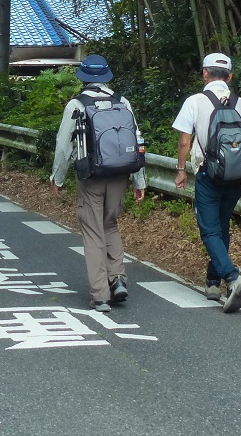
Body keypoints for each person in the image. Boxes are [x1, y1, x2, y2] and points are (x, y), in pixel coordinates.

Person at [50, 55, 146, 313]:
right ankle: (118, 280)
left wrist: (58, 178)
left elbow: (63, 146)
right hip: (120, 174)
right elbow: (136, 141)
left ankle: (101, 295)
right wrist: (139, 180)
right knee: (110, 224)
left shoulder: (77, 105)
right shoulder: (122, 102)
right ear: (106, 77)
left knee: (93, 231)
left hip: (91, 175)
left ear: (83, 77)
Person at [172, 52, 241, 313]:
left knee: (209, 230)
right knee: (222, 227)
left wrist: (181, 170)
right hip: (237, 176)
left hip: (208, 174)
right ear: (229, 76)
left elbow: (184, 141)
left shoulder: (194, 101)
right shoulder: (240, 104)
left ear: (204, 74)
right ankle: (213, 283)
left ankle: (233, 278)